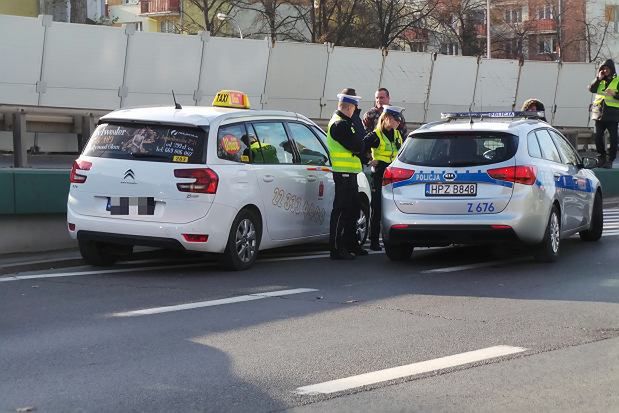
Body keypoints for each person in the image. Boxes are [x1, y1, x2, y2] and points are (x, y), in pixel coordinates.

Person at [327, 88, 369, 260]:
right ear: (349, 107)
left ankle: (351, 244)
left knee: (352, 210)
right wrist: (359, 133)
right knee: (342, 210)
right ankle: (336, 248)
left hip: (350, 173)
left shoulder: (345, 123)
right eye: (354, 108)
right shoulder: (340, 124)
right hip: (342, 173)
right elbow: (358, 145)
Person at [363, 105, 404, 251]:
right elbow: (360, 146)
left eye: (399, 119)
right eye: (395, 119)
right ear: (386, 118)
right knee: (377, 208)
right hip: (380, 175)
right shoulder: (376, 135)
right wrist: (368, 160)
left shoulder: (398, 135)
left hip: (394, 176)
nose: (398, 122)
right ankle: (374, 240)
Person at [589, 59, 619, 169]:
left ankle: (610, 160)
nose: (605, 70)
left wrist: (615, 94)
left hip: (612, 115)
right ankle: (601, 157)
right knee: (597, 137)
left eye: (607, 68)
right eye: (603, 68)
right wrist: (598, 78)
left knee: (614, 139)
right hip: (598, 114)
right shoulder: (600, 80)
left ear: (612, 69)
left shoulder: (617, 80)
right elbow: (591, 89)